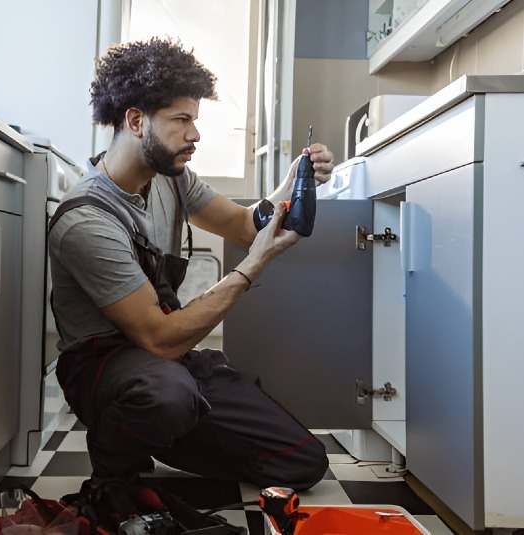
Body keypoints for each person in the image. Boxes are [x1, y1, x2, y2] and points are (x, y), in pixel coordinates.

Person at [47, 37, 335, 496]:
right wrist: (250, 269)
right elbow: (159, 340)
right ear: (137, 120)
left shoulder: (172, 179)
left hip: (167, 360)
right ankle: (115, 465)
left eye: (194, 121)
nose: (194, 135)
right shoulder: (86, 218)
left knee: (301, 462)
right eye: (182, 121)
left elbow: (244, 224)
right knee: (167, 397)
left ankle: (166, 427)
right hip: (105, 366)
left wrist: (294, 178)